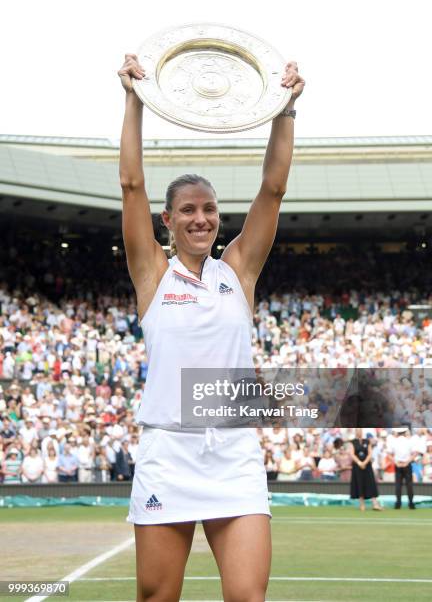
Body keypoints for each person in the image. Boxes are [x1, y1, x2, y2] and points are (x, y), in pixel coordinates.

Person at [117, 51, 304, 601]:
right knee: (158, 598)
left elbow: (272, 189)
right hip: (167, 455)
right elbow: (131, 185)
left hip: (232, 455)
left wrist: (286, 107)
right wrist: (133, 98)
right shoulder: (152, 272)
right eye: (189, 210)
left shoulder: (239, 271)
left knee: (248, 597)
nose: (202, 218)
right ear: (168, 220)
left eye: (210, 210)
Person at [349, 428, 382, 511]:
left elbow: (370, 453)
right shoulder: (352, 442)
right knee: (359, 483)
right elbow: (352, 454)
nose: (359, 432)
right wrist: (359, 463)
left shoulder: (367, 441)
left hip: (367, 466)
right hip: (357, 466)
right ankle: (362, 504)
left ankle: (375, 504)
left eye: (360, 430)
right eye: (357, 431)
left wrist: (364, 462)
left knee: (370, 483)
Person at [390, 427, 416, 509]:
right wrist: (407, 462)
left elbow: (389, 453)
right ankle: (411, 503)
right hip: (406, 465)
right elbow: (415, 453)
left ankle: (398, 503)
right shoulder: (409, 441)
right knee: (409, 485)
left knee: (398, 485)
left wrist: (396, 462)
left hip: (398, 464)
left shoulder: (394, 441)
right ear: (405, 432)